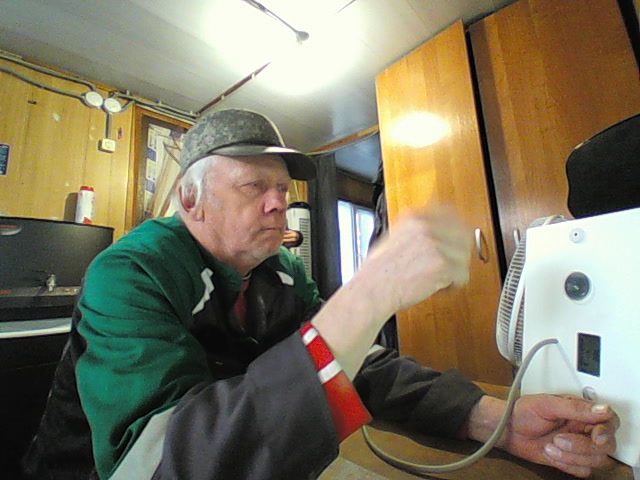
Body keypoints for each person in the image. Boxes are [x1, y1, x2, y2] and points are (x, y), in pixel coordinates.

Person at [23, 108, 619, 480]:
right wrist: (367, 296)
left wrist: (492, 418)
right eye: (254, 186)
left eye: (283, 190)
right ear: (190, 199)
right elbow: (162, 463)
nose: (278, 203)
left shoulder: (280, 270)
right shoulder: (130, 272)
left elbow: (355, 364)